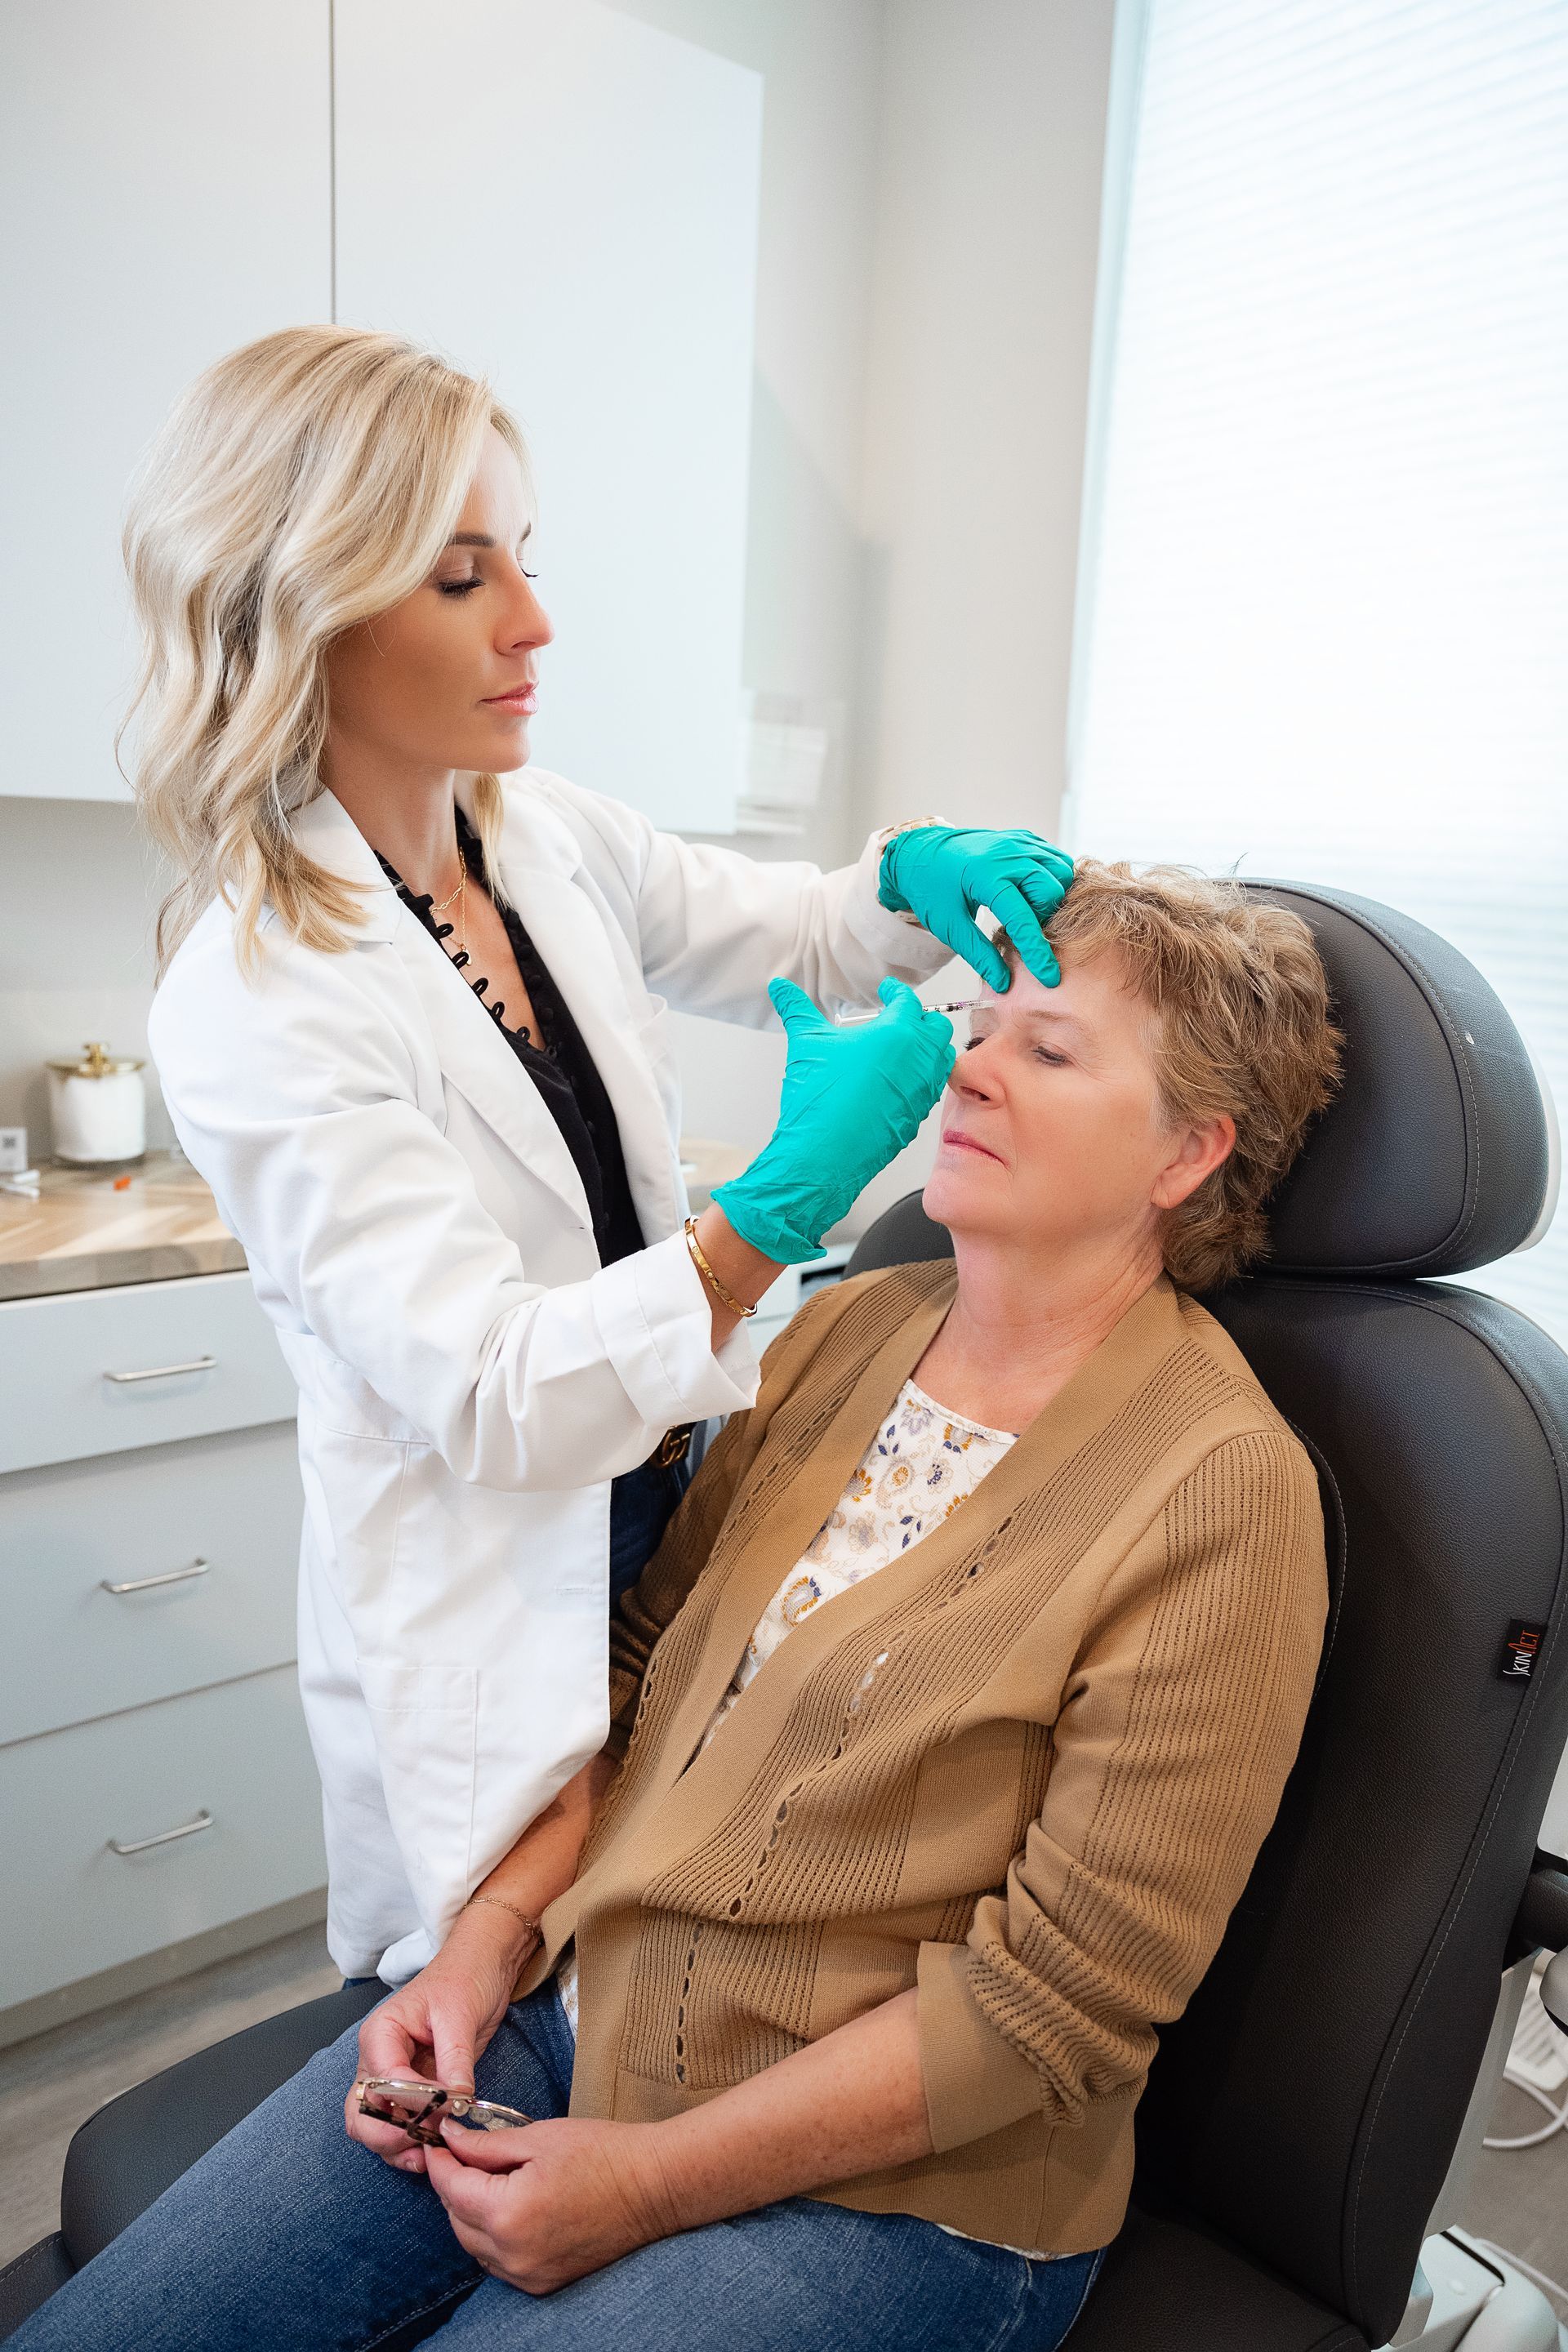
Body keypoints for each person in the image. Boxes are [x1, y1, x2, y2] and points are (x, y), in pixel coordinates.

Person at [19, 863, 1342, 2352]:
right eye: (983, 1021)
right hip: (566, 2021)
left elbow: (1054, 2005)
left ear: (1189, 1153)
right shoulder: (841, 1327)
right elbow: (636, 1673)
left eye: (1048, 1049)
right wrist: (491, 1943)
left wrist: (646, 2181)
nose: (968, 1062)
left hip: (894, 2195)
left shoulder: (1219, 1492)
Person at [128, 324, 1074, 1985]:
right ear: (309, 614)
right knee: (524, 2005)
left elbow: (789, 932)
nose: (533, 623)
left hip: (679, 1501)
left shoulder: (535, 828)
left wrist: (903, 878)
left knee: (674, 1949)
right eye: (459, 577)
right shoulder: (258, 990)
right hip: (506, 1577)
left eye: (526, 560)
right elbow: (498, 1398)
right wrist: (765, 1220)